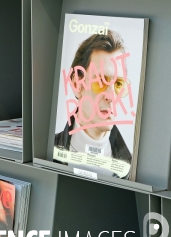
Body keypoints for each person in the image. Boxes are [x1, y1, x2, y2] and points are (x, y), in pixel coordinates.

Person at [54, 30, 132, 178]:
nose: (111, 96)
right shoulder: (45, 150)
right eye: (101, 81)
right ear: (77, 84)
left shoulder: (134, 167)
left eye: (118, 84)